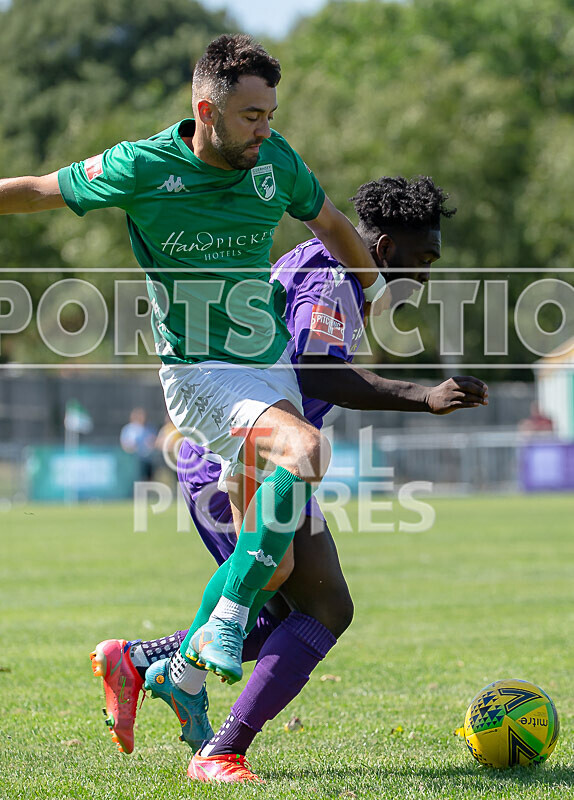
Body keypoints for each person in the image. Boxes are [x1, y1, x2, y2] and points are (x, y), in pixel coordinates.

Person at [1, 34, 389, 701]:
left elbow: (329, 222)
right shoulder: (143, 165)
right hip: (200, 372)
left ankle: (160, 671)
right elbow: (39, 190)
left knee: (272, 564)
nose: (266, 129)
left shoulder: (277, 162)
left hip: (267, 371)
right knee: (304, 450)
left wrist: (375, 289)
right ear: (207, 112)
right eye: (251, 117)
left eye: (270, 113)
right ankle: (223, 626)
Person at [90, 176, 488, 782]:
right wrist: (422, 395)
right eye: (422, 259)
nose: (427, 276)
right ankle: (215, 747)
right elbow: (317, 374)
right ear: (382, 249)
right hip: (238, 453)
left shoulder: (331, 270)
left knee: (308, 607)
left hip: (264, 452)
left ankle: (148, 666)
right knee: (319, 606)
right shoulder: (332, 274)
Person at [120, 407, 157, 481]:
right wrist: (131, 446)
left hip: (147, 460)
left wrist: (151, 443)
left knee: (147, 481)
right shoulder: (129, 429)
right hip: (133, 461)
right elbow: (124, 444)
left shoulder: (150, 428)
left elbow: (155, 442)